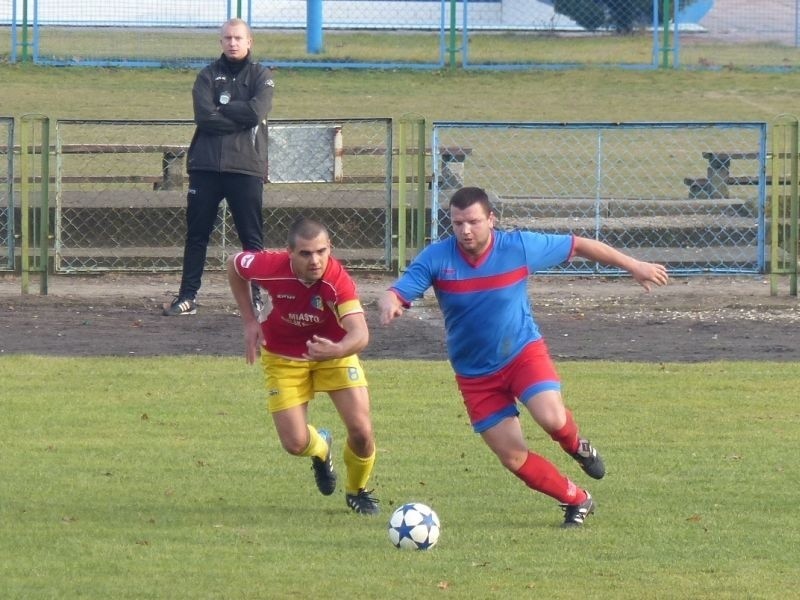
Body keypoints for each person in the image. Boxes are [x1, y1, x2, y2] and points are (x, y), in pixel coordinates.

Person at [378, 186, 669, 528]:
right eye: (457, 223)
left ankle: (577, 445)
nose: (465, 231)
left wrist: (634, 265)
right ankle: (577, 499)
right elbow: (399, 290)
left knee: (551, 419)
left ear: (491, 219)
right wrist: (390, 301)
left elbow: (579, 245)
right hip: (474, 375)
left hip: (521, 354)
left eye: (472, 221)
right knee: (513, 457)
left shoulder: (517, 247)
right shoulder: (437, 258)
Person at [227, 217, 380, 515]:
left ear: (330, 249)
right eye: (306, 253)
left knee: (362, 431)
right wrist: (248, 320)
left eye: (322, 251)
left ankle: (357, 491)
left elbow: (360, 335)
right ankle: (321, 447)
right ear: (289, 252)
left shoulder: (337, 281)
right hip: (283, 357)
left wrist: (336, 350)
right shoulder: (269, 267)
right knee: (296, 444)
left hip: (333, 353)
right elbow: (234, 265)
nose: (315, 260)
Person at [164, 18, 274, 316]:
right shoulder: (207, 76)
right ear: (220, 42)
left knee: (251, 238)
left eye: (238, 38)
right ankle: (187, 297)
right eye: (227, 38)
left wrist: (222, 108)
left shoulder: (262, 76)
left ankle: (255, 299)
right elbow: (204, 117)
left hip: (245, 168)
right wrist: (234, 114)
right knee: (197, 234)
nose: (233, 43)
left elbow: (255, 112)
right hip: (206, 167)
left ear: (249, 41)